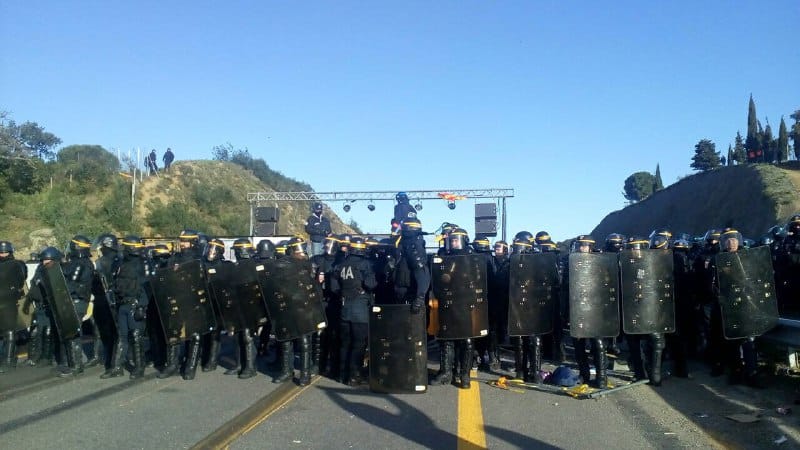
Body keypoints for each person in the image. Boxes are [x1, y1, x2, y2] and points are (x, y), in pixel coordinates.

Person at [330, 237, 377, 385]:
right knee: (359, 345)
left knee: (345, 343)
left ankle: (342, 375)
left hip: (345, 309)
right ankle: (354, 376)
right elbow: (371, 284)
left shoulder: (340, 265)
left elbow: (334, 287)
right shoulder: (365, 264)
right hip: (360, 311)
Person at [110, 236, 150, 379]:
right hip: (123, 304)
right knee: (121, 336)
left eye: (125, 247)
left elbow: (147, 287)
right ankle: (117, 367)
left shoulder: (143, 264)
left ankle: (139, 367)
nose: (122, 249)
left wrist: (142, 306)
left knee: (136, 337)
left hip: (135, 304)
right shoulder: (121, 264)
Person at [0, 241, 27, 373]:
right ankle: (6, 358)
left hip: (9, 301)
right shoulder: (14, 264)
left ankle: (9, 360)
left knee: (9, 330)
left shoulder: (17, 264)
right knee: (5, 330)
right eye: (1, 252)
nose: (3, 254)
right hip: (5, 301)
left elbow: (21, 280)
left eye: (5, 252)